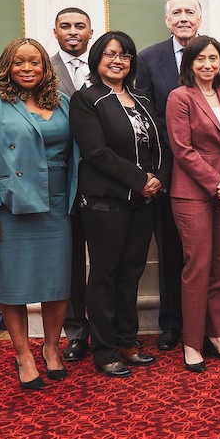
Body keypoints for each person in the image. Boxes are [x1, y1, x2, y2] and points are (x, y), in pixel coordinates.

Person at [0, 38, 78, 390]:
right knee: (11, 284)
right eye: (19, 62)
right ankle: (23, 355)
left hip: (58, 202)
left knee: (57, 282)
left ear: (46, 67)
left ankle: (50, 348)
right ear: (7, 66)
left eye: (35, 62)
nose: (28, 68)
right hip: (11, 205)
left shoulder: (61, 101)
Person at [135, 0, 220, 352]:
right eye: (176, 12)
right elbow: (149, 117)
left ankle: (211, 332)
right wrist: (176, 158)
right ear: (167, 20)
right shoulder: (149, 58)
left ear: (199, 17)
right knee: (176, 255)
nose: (183, 18)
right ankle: (173, 325)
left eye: (189, 11)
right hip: (172, 172)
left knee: (215, 261)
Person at [69, 31, 166, 378]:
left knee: (131, 274)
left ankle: (128, 340)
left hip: (143, 202)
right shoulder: (87, 99)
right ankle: (105, 349)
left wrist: (157, 178)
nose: (117, 60)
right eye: (110, 54)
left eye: (124, 55)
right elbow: (95, 152)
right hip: (105, 203)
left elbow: (160, 144)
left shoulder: (141, 99)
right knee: (105, 277)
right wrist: (140, 179)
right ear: (97, 59)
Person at [166, 35, 220, 372]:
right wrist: (218, 183)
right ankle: (191, 342)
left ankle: (217, 335)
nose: (208, 65)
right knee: (197, 267)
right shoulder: (180, 97)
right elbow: (182, 149)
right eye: (200, 59)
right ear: (190, 63)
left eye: (213, 58)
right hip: (192, 193)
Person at [50, 7, 93, 363]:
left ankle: (108, 328)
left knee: (108, 262)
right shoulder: (40, 70)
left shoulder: (109, 66)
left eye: (80, 25)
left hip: (102, 182)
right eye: (66, 26)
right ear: (55, 31)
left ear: (90, 32)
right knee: (69, 262)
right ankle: (76, 332)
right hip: (61, 182)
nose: (73, 31)